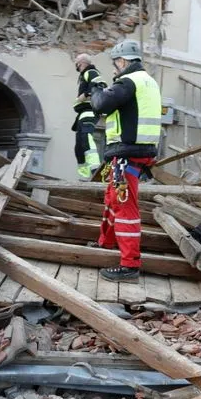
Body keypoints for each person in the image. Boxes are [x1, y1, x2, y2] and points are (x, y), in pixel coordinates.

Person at [91, 38, 163, 281]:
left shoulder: (128, 81)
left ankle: (129, 265)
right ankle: (105, 244)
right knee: (113, 199)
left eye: (115, 64)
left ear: (122, 61)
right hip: (137, 153)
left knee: (125, 209)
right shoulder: (149, 82)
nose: (114, 69)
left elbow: (100, 104)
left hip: (127, 153)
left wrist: (96, 87)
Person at [71, 53, 105, 181]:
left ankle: (95, 169)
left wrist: (85, 95)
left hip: (89, 112)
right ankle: (84, 177)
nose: (76, 65)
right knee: (79, 147)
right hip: (82, 114)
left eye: (77, 62)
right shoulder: (84, 75)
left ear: (81, 63)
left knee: (86, 138)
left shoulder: (90, 71)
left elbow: (100, 85)